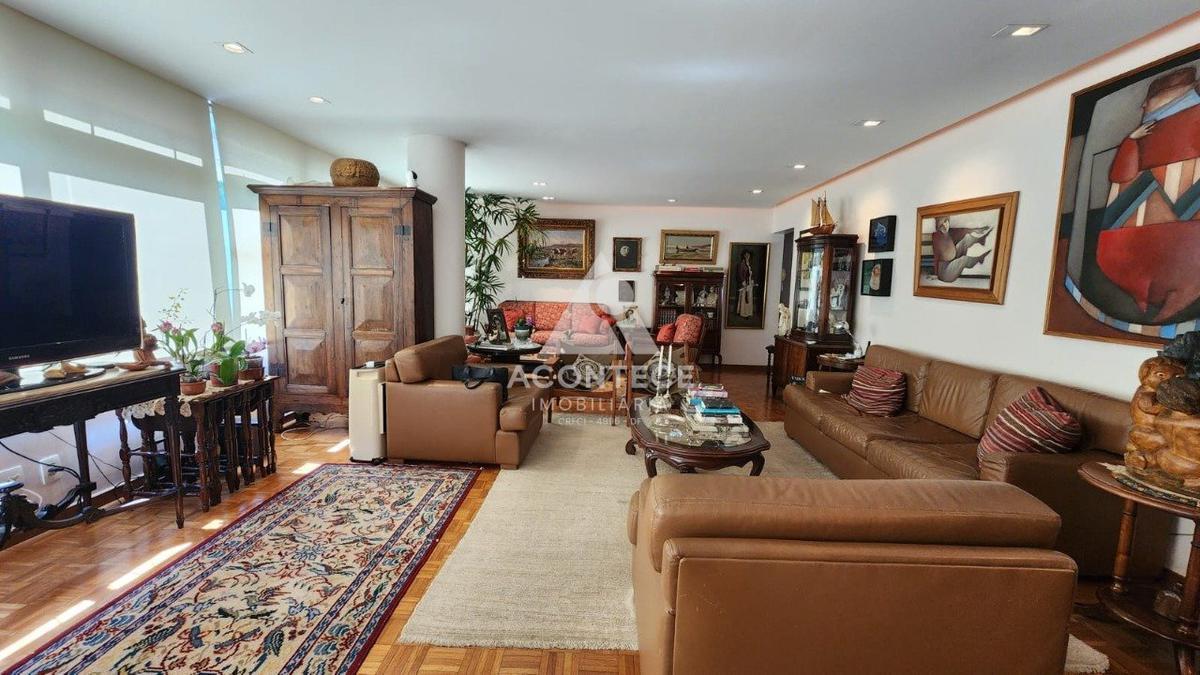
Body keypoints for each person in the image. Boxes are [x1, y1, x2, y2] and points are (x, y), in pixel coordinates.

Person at [1098, 66, 1200, 323]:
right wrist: (1131, 141)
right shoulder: (1148, 133)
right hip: (1131, 233)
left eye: (1150, 99)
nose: (1144, 106)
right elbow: (1121, 175)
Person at [931, 216, 992, 283]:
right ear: (938, 226)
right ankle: (979, 259)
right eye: (942, 225)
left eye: (946, 221)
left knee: (966, 238)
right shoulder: (936, 236)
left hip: (953, 259)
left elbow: (963, 230)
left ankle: (980, 240)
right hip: (945, 274)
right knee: (963, 259)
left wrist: (976, 230)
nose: (945, 225)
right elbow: (936, 255)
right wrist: (936, 274)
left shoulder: (950, 231)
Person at [736, 250, 755, 318]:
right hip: (744, 283)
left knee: (749, 297)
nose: (747, 256)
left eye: (748, 255)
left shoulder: (750, 264)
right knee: (744, 297)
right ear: (743, 256)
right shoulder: (742, 264)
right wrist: (743, 281)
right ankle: (743, 313)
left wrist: (752, 280)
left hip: (750, 282)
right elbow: (740, 274)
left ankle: (748, 312)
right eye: (746, 255)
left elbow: (751, 273)